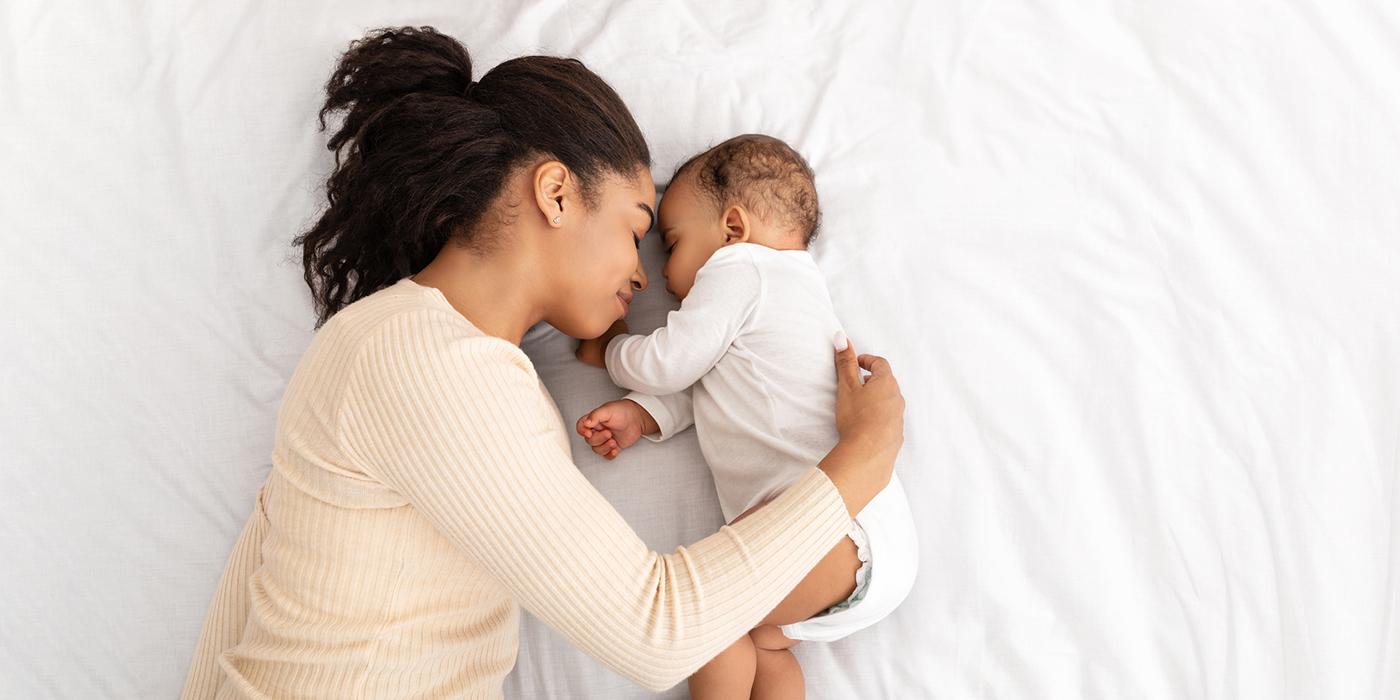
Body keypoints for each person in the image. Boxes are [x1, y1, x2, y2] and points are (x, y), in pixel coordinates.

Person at [181, 26, 906, 699]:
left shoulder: (403, 348)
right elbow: (656, 630)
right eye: (636, 228)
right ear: (557, 193)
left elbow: (249, 597)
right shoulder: (424, 361)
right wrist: (864, 457)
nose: (644, 275)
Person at [575, 134, 919, 699]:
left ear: (732, 230)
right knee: (760, 643)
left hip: (836, 533)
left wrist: (613, 347)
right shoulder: (796, 296)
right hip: (873, 543)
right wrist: (644, 416)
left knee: (708, 616)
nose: (663, 274)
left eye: (675, 243)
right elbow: (715, 387)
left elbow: (669, 362)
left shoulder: (742, 271)